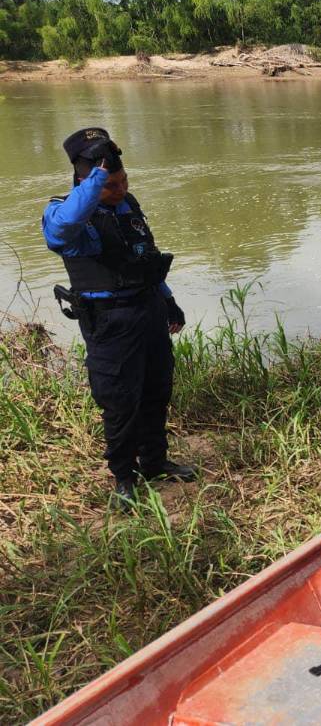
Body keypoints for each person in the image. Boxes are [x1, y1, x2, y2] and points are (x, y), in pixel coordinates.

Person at [42, 127, 195, 509]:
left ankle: (155, 462)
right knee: (120, 401)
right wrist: (96, 178)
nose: (120, 188)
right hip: (110, 322)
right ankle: (124, 479)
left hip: (147, 310)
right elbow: (60, 231)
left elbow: (145, 261)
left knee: (156, 391)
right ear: (86, 180)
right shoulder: (66, 214)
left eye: (124, 180)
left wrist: (169, 302)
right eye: (111, 184)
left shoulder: (129, 207)